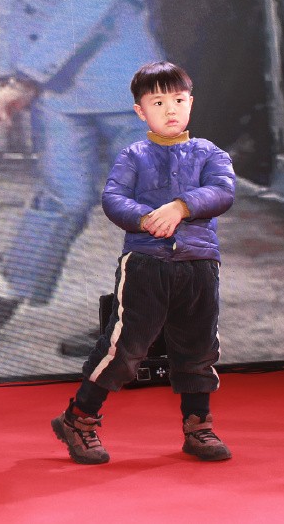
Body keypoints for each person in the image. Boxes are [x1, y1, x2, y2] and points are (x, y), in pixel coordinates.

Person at [0, 0, 164, 347]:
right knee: (63, 195)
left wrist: (24, 82)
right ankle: (9, 289)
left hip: (125, 93)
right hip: (59, 93)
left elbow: (80, 16)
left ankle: (146, 325)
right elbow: (12, 13)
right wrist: (8, 78)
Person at [52, 61, 235, 464]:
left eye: (179, 100)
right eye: (158, 102)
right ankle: (78, 419)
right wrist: (145, 218)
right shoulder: (133, 155)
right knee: (126, 348)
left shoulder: (210, 153)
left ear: (191, 103)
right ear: (140, 111)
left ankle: (198, 426)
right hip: (146, 265)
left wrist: (182, 206)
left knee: (199, 346)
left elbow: (223, 191)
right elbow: (113, 199)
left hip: (200, 264)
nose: (171, 110)